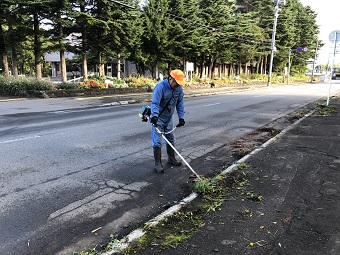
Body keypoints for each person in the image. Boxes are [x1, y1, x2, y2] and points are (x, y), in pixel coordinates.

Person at [150, 69, 186, 173]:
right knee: (157, 140)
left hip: (169, 117)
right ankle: (158, 163)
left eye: (180, 83)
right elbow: (155, 103)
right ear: (171, 79)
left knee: (171, 138)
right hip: (158, 118)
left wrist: (181, 117)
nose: (178, 85)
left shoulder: (179, 89)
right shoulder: (160, 87)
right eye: (176, 83)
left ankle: (171, 158)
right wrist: (155, 116)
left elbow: (180, 103)